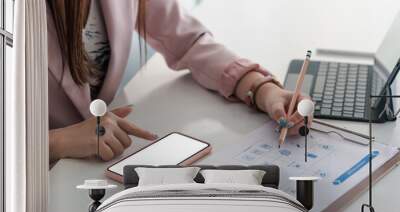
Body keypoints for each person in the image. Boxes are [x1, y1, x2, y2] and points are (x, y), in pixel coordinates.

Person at [47, 0, 308, 163]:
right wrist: (56, 142)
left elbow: (186, 39)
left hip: (91, 172)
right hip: (30, 194)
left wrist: (260, 88)